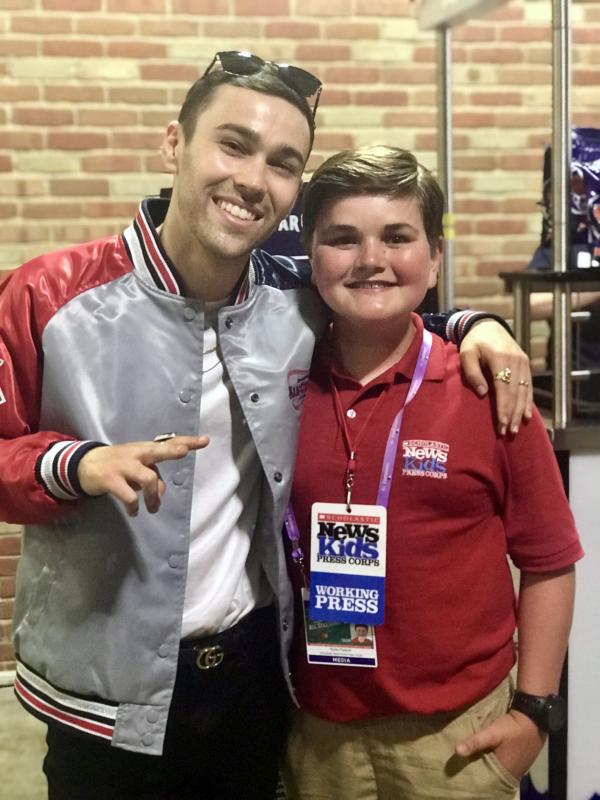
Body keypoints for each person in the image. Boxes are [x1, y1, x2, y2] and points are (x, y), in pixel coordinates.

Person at [0, 52, 530, 799]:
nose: (254, 179)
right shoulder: (46, 295)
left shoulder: (291, 300)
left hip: (257, 677)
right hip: (105, 689)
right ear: (173, 143)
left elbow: (387, 305)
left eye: (284, 163)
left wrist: (480, 323)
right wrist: (72, 465)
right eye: (234, 144)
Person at [282, 146, 583, 800]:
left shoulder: (491, 390)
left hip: (458, 734)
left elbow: (549, 559)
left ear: (435, 255)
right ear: (310, 253)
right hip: (316, 729)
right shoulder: (275, 389)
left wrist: (535, 711)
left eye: (398, 237)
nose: (371, 260)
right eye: (342, 239)